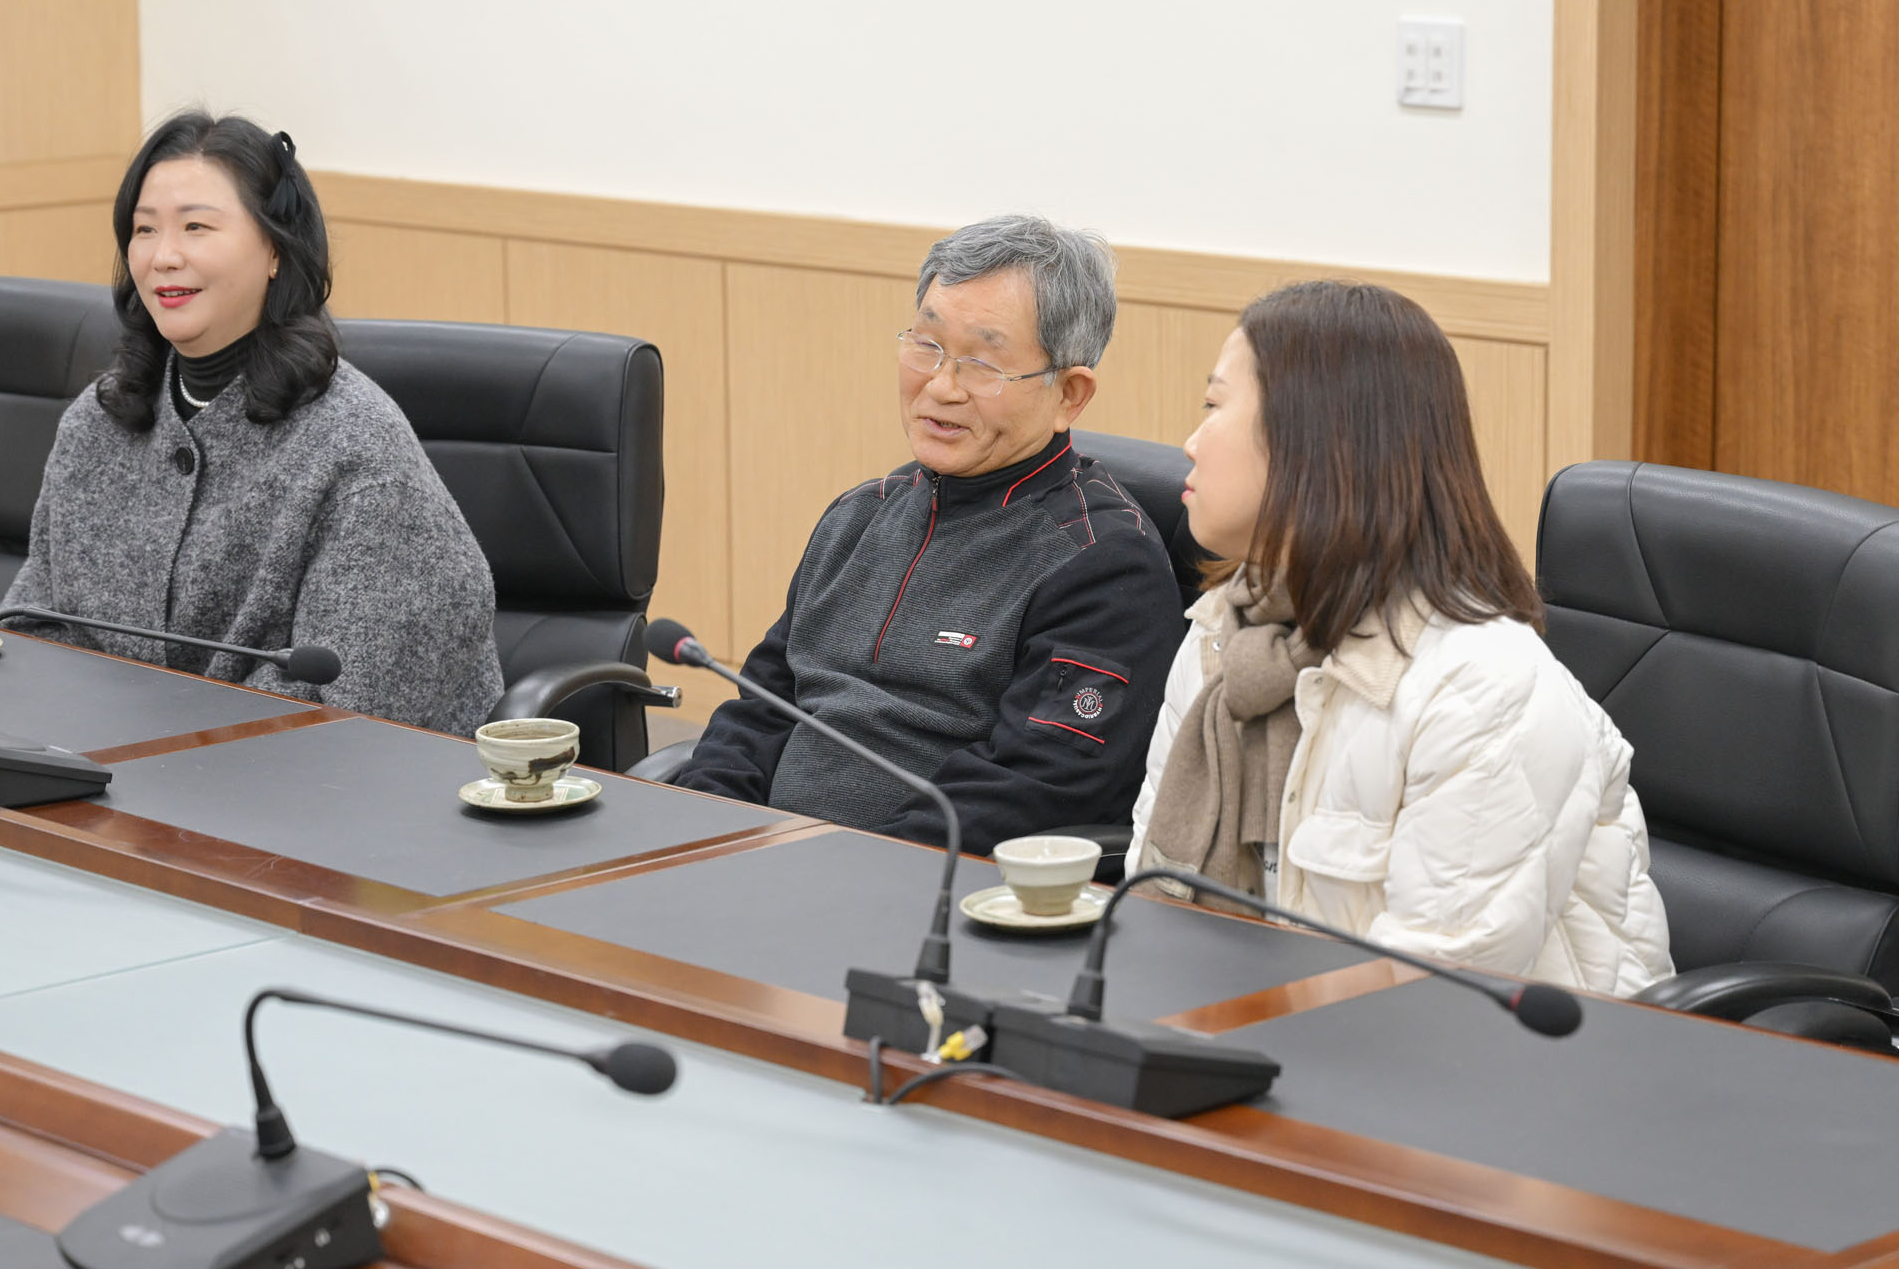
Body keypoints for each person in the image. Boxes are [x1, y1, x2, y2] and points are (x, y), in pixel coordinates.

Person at [1131, 280, 1671, 996]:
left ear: (1314, 443)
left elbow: (1429, 996)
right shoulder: (1226, 635)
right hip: (1262, 1025)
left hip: (1498, 1053)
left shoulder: (1485, 687)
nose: (1191, 444)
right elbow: (1151, 897)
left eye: (1213, 407)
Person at [676, 215, 1183, 854]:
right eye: (927, 345)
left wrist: (840, 870)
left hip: (921, 886)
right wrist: (700, 835)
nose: (941, 387)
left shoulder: (1105, 563)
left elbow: (1032, 790)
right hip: (762, 864)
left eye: (983, 363)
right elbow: (760, 710)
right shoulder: (860, 515)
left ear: (1069, 395)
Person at [5, 111, 503, 736]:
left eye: (196, 227)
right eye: (144, 229)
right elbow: (32, 626)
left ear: (274, 249)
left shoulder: (355, 446)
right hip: (104, 770)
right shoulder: (96, 424)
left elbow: (352, 698)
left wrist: (160, 757)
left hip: (303, 779)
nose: (163, 256)